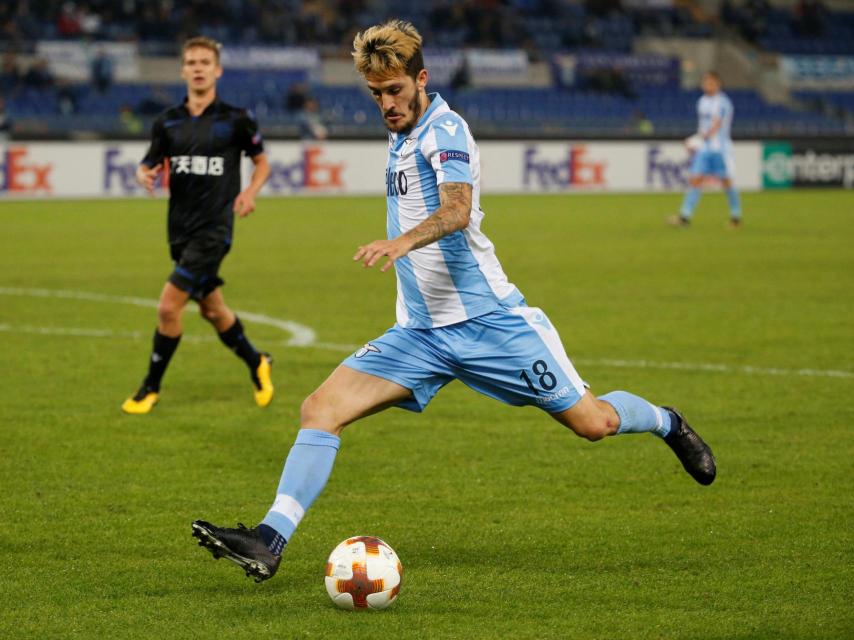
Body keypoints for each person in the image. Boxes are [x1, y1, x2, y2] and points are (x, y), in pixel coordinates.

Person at [191, 20, 716, 583]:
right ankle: (269, 540)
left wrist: (401, 241)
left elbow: (457, 209)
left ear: (422, 79)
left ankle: (666, 421)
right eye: (376, 93)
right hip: (420, 334)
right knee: (320, 409)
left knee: (593, 422)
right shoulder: (400, 135)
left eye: (394, 90)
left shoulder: (446, 131)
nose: (386, 103)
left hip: (490, 324)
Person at [122, 36, 273, 415]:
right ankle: (257, 362)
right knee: (213, 310)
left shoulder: (237, 119)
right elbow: (148, 163)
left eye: (206, 62)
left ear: (217, 70)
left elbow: (262, 162)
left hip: (214, 231)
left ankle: (149, 388)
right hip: (179, 231)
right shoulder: (168, 121)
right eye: (192, 62)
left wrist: (250, 192)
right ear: (183, 70)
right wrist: (143, 175)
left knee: (168, 308)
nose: (199, 68)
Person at [669, 71, 742, 228]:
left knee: (727, 182)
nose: (707, 85)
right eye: (705, 82)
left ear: (718, 84)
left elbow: (716, 126)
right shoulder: (702, 101)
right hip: (705, 148)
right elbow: (703, 127)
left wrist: (696, 140)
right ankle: (685, 217)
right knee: (695, 179)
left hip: (720, 149)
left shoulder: (723, 103)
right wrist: (697, 140)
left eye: (711, 82)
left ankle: (736, 216)